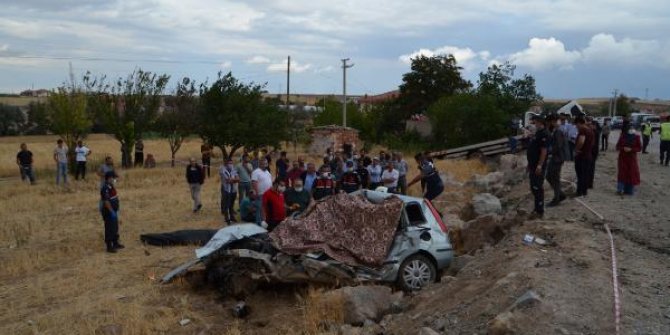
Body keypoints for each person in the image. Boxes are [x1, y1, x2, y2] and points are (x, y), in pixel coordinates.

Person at [525, 115, 549, 217]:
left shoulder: (544, 134)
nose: (534, 124)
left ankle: (539, 210)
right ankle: (536, 208)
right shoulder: (538, 133)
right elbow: (533, 149)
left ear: (540, 122)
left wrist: (540, 165)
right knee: (533, 187)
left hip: (537, 166)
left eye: (535, 123)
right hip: (532, 164)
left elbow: (544, 151)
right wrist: (529, 164)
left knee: (537, 187)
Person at [546, 114, 568, 207]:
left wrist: (549, 151)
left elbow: (558, 146)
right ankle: (560, 194)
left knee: (554, 178)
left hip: (557, 158)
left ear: (552, 121)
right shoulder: (556, 131)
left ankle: (557, 198)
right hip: (556, 157)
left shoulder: (558, 131)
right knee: (550, 176)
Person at [100, 171, 123, 253]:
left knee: (115, 227)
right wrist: (111, 211)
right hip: (109, 211)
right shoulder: (105, 188)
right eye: (112, 178)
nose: (114, 179)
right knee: (109, 228)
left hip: (114, 210)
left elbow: (119, 178)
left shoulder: (111, 186)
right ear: (109, 178)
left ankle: (115, 243)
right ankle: (109, 246)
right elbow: (106, 201)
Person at [616, 123, 642, 195]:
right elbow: (617, 146)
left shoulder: (637, 137)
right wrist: (623, 148)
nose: (631, 130)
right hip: (623, 158)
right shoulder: (622, 136)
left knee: (631, 173)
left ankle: (629, 190)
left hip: (632, 158)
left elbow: (639, 148)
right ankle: (620, 189)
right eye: (629, 128)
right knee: (622, 173)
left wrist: (631, 149)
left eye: (632, 128)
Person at [574, 117, 595, 197]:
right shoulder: (590, 130)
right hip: (588, 155)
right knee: (585, 174)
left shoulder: (583, 130)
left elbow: (581, 141)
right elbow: (592, 143)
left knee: (580, 175)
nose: (576, 126)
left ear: (579, 123)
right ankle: (584, 191)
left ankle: (579, 192)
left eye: (576, 125)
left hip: (582, 156)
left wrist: (576, 149)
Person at [251, 159, 273, 224]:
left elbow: (270, 182)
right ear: (259, 164)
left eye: (266, 163)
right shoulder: (256, 172)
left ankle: (265, 223)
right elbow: (254, 182)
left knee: (266, 210)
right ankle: (258, 224)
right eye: (263, 164)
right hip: (260, 194)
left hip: (268, 194)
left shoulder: (267, 172)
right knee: (260, 209)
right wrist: (257, 192)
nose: (265, 165)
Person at [220, 158, 239, 223]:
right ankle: (227, 218)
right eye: (229, 163)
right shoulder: (223, 170)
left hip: (233, 190)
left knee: (231, 204)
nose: (231, 165)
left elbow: (238, 179)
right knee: (226, 205)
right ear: (226, 164)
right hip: (226, 190)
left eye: (231, 163)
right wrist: (234, 180)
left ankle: (232, 217)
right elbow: (228, 181)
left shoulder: (234, 169)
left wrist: (233, 180)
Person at [587, 117, 601, 189]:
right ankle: (589, 183)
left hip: (593, 152)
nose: (589, 126)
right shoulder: (595, 132)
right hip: (593, 152)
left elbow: (592, 144)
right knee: (590, 168)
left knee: (591, 168)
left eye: (591, 125)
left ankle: (589, 183)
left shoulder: (595, 132)